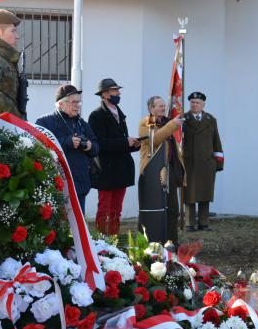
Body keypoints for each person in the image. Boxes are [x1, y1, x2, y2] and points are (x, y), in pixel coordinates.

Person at [88, 78, 140, 236]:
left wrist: (133, 145)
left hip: (122, 169)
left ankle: (114, 242)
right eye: (114, 90)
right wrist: (125, 142)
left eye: (118, 90)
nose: (118, 93)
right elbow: (100, 144)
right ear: (104, 94)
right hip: (106, 170)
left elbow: (120, 142)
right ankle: (102, 243)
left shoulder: (120, 113)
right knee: (104, 209)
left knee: (117, 210)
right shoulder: (96, 116)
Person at [36, 85, 99, 212]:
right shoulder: (44, 122)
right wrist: (67, 142)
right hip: (56, 183)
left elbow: (96, 148)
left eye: (79, 102)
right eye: (73, 102)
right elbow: (39, 146)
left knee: (78, 225)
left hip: (80, 184)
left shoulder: (82, 123)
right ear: (60, 104)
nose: (77, 105)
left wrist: (89, 146)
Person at [138, 96, 184, 244]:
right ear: (151, 108)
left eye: (164, 106)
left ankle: (172, 243)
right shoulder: (147, 121)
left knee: (172, 210)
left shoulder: (165, 122)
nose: (163, 109)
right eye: (159, 106)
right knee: (154, 209)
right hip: (153, 173)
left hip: (169, 171)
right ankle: (151, 242)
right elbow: (153, 140)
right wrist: (172, 125)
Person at [182, 91, 224, 232]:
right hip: (189, 162)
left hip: (207, 163)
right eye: (192, 102)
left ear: (203, 104)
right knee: (190, 194)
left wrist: (218, 162)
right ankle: (189, 223)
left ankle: (203, 223)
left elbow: (216, 141)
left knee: (205, 193)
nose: (194, 105)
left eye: (197, 102)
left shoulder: (211, 120)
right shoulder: (183, 119)